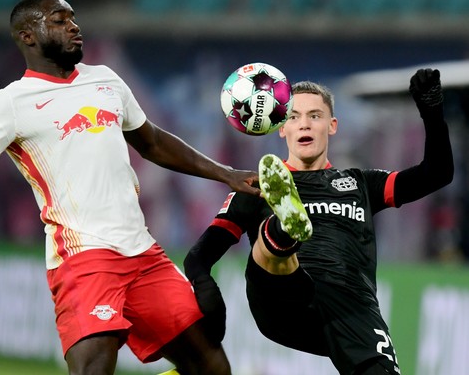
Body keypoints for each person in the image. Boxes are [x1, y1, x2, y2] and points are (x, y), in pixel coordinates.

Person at [0, 0, 263, 375]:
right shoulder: (11, 103)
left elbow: (152, 142)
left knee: (212, 367)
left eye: (72, 18)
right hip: (85, 260)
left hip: (144, 255)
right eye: (59, 20)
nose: (73, 26)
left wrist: (227, 174)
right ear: (27, 36)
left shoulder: (106, 80)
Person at [184, 68, 454, 374]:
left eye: (315, 115)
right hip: (283, 299)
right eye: (294, 117)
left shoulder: (361, 183)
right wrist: (204, 285)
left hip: (350, 305)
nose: (305, 124)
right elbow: (199, 255)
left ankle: (284, 226)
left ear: (332, 125)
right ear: (281, 128)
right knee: (276, 249)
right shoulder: (255, 184)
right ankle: (284, 227)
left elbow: (437, 173)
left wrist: (432, 110)